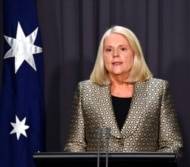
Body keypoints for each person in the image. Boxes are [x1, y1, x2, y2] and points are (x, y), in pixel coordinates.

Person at [64, 25, 183, 157]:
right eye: (109, 50)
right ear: (102, 56)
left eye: (123, 49)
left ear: (134, 53)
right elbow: (74, 144)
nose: (115, 55)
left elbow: (173, 144)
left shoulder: (158, 90)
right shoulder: (86, 91)